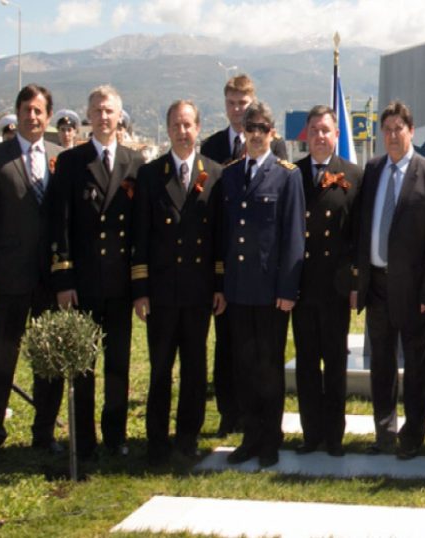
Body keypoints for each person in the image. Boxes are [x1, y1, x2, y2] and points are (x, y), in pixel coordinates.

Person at [50, 85, 145, 460]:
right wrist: (64, 279)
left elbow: (140, 230)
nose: (104, 117)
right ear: (88, 116)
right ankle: (84, 438)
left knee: (118, 364)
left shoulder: (135, 163)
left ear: (119, 116)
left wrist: (139, 284)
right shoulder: (72, 162)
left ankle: (116, 435)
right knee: (83, 366)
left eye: (110, 111)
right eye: (98, 110)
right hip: (85, 282)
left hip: (120, 283)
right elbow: (60, 225)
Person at [0, 84, 65, 468]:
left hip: (50, 281)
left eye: (39, 110)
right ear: (18, 113)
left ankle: (44, 434)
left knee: (49, 361)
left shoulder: (61, 157)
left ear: (48, 116)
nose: (32, 116)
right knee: (1, 361)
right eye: (26, 109)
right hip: (9, 279)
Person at [131, 100, 224, 464]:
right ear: (168, 129)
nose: (182, 132)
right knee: (160, 369)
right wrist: (140, 290)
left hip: (198, 291)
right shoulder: (151, 174)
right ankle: (156, 441)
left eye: (188, 125)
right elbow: (140, 236)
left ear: (198, 128)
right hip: (162, 292)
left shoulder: (214, 173)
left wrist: (219, 285)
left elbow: (218, 237)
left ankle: (188, 437)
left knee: (195, 369)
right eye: (176, 125)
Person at [353, 100, 425, 460]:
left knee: (418, 367)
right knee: (381, 363)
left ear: (411, 131)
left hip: (413, 290)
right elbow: (363, 227)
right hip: (376, 285)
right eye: (387, 129)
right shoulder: (373, 169)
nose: (392, 135)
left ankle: (413, 435)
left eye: (399, 129)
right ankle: (385, 431)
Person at [200, 73, 288, 437]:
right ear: (225, 105)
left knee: (263, 352)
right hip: (231, 272)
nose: (238, 110)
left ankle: (263, 423)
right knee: (228, 347)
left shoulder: (276, 150)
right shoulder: (212, 147)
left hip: (263, 274)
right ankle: (230, 412)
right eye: (232, 103)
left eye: (244, 104)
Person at [219, 102, 304, 468]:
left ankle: (270, 439)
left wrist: (287, 289)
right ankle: (250, 437)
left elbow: (294, 237)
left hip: (270, 293)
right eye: (250, 127)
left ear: (272, 133)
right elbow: (224, 234)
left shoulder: (286, 175)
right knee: (244, 366)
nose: (255, 134)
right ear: (243, 131)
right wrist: (221, 284)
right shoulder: (230, 174)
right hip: (238, 290)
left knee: (269, 368)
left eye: (262, 128)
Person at [291, 105, 363, 457]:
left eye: (326, 130)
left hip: (335, 287)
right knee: (306, 364)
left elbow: (358, 235)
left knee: (335, 365)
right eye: (315, 130)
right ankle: (311, 433)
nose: (320, 136)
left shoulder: (354, 175)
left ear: (336, 134)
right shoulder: (292, 173)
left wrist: (354, 283)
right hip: (302, 285)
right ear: (307, 134)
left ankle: (334, 435)